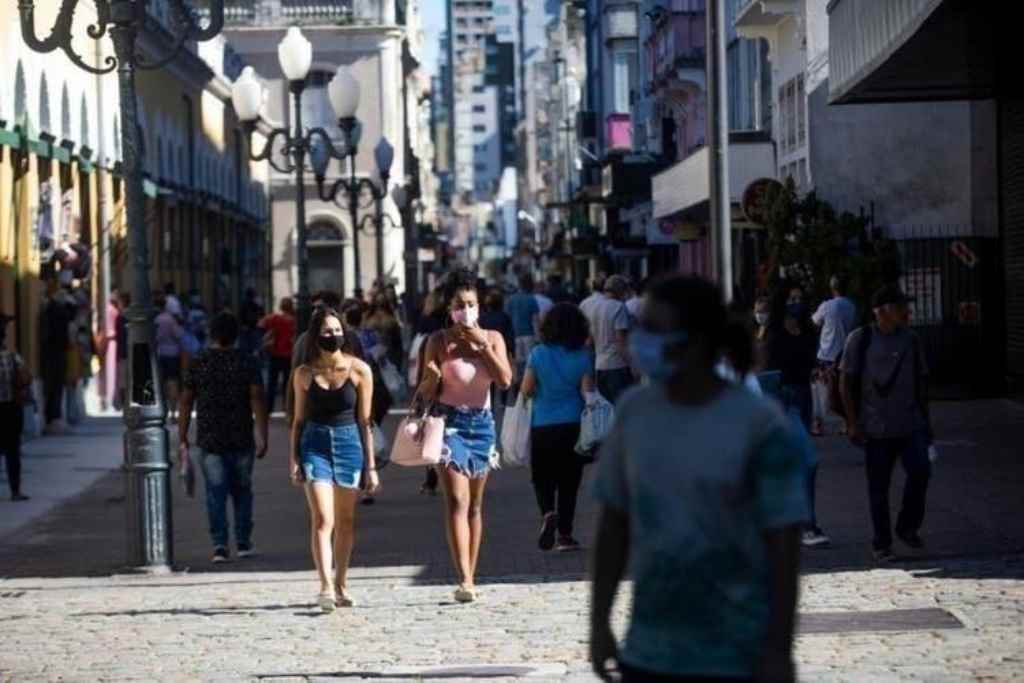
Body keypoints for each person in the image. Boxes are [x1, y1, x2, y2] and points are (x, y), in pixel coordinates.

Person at [590, 275, 807, 683]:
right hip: (650, 651)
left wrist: (779, 648)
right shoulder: (635, 412)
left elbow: (784, 546)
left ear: (696, 340)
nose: (640, 339)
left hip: (735, 652)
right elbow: (613, 525)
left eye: (654, 328)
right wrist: (598, 623)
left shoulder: (759, 424)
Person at [417, 268, 513, 603]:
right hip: (449, 423)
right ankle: (465, 579)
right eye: (460, 305)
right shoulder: (438, 341)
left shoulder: (493, 337)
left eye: (471, 304)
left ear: (479, 306)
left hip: (482, 424)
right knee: (457, 500)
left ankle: (471, 571)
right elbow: (423, 389)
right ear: (449, 309)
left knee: (475, 505)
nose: (466, 310)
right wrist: (432, 377)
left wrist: (482, 346)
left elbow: (505, 380)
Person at [290, 306, 380, 611]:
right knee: (322, 519)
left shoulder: (360, 370)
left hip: (349, 445)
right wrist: (294, 459)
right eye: (327, 331)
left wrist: (371, 467)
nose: (334, 336)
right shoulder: (304, 374)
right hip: (314, 446)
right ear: (315, 336)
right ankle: (326, 586)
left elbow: (365, 421)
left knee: (345, 521)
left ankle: (341, 583)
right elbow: (298, 420)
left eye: (338, 330)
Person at [840, 284, 932, 563]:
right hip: (875, 427)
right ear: (880, 311)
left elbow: (921, 382)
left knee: (921, 471)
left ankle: (907, 526)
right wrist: (852, 422)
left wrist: (927, 422)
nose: (906, 311)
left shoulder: (911, 339)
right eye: (899, 306)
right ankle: (882, 544)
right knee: (879, 488)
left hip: (910, 423)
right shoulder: (860, 339)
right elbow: (846, 382)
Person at [178, 312, 269, 563]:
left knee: (215, 493)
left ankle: (219, 545)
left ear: (211, 334)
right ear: (236, 335)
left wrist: (182, 436)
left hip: (210, 439)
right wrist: (263, 435)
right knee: (242, 491)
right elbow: (257, 398)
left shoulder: (199, 361)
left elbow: (186, 401)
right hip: (241, 436)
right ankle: (243, 542)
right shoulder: (247, 361)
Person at [520, 303, 594, 552]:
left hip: (543, 425)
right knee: (569, 482)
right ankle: (565, 535)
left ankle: (548, 513)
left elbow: (526, 389)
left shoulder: (538, 354)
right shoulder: (583, 356)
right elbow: (588, 393)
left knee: (542, 477)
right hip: (574, 425)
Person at [766, 285, 830, 548]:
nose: (796, 303)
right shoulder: (774, 334)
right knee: (807, 461)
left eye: (800, 299)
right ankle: (806, 525)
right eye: (791, 298)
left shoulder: (807, 331)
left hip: (804, 397)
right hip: (784, 400)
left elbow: (811, 364)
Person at [811, 275, 857, 436]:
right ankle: (845, 421)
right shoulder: (851, 306)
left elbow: (814, 322)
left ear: (832, 288)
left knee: (822, 393)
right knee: (841, 392)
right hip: (845, 353)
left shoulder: (827, 306)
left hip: (827, 355)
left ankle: (821, 423)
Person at [588, 275, 634, 404]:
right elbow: (621, 341)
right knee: (621, 407)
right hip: (617, 366)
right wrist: (633, 365)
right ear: (620, 290)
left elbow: (590, 340)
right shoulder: (619, 307)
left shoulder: (595, 308)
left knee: (607, 410)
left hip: (599, 367)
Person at [40, 275, 77, 434]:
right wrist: (71, 303)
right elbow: (71, 315)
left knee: (55, 386)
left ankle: (53, 418)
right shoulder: (56, 309)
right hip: (56, 351)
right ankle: (53, 418)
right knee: (55, 385)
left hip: (53, 351)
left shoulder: (51, 307)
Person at [1, 314, 31, 501]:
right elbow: (27, 378)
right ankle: (15, 491)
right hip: (11, 409)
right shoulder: (13, 357)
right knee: (13, 451)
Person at [259, 297, 297, 415]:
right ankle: (287, 407)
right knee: (287, 383)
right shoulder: (294, 321)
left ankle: (269, 407)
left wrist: (269, 334)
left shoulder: (274, 318)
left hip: (274, 353)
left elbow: (260, 324)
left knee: (272, 383)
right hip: (288, 354)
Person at [155, 295, 185, 423]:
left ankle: (162, 412)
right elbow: (179, 335)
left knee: (160, 384)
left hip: (159, 354)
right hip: (172, 354)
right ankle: (173, 413)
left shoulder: (155, 320)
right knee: (173, 383)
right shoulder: (170, 319)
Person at [504, 272, 540, 379]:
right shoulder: (531, 299)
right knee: (530, 364)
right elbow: (535, 320)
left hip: (515, 335)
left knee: (518, 363)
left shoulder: (511, 299)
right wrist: (538, 338)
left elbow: (507, 318)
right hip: (529, 334)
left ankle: (519, 384)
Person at [99, 287, 121, 412]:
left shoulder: (109, 309)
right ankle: (112, 399)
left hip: (110, 342)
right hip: (112, 342)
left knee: (111, 371)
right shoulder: (112, 310)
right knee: (112, 371)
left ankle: (111, 398)